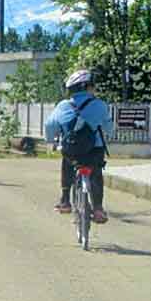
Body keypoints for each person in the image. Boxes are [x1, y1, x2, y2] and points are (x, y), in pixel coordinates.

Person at [44, 69, 111, 223]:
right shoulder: (100, 105)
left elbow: (49, 125)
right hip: (95, 150)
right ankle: (98, 209)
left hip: (71, 150)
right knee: (96, 174)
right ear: (87, 87)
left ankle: (65, 201)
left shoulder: (63, 106)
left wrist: (51, 142)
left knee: (67, 164)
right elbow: (108, 127)